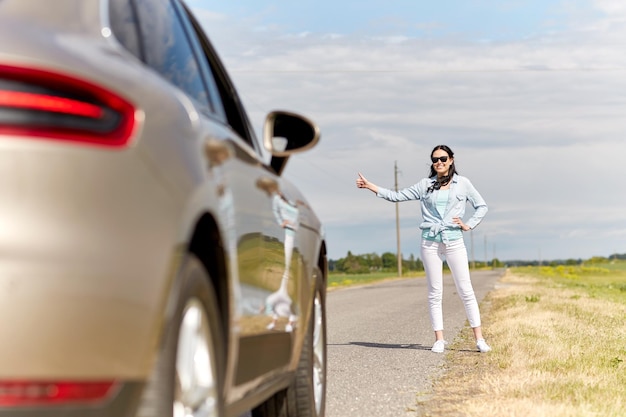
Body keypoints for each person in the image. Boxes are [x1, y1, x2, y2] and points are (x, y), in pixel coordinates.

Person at [355, 145, 492, 353]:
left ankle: (479, 339)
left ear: (452, 160)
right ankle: (439, 339)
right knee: (435, 291)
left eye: (443, 158)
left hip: (454, 240)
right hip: (430, 242)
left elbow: (482, 206)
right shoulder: (425, 185)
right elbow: (396, 196)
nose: (439, 162)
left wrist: (468, 224)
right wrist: (370, 186)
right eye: (435, 159)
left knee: (466, 290)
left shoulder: (463, 183)